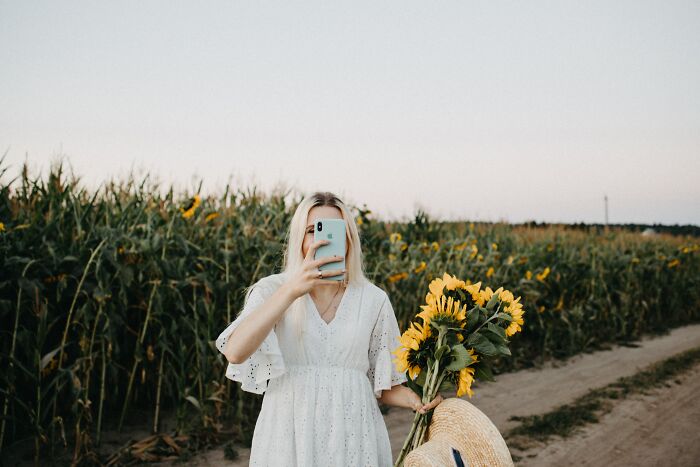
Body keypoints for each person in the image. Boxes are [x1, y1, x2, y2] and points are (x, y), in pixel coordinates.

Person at [216, 191, 443, 466]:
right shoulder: (272, 289)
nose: (322, 239)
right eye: (313, 230)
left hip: (354, 438)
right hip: (288, 438)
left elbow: (384, 384)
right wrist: (291, 290)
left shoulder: (373, 300)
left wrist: (416, 400)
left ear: (348, 239)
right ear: (299, 238)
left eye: (334, 230)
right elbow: (235, 352)